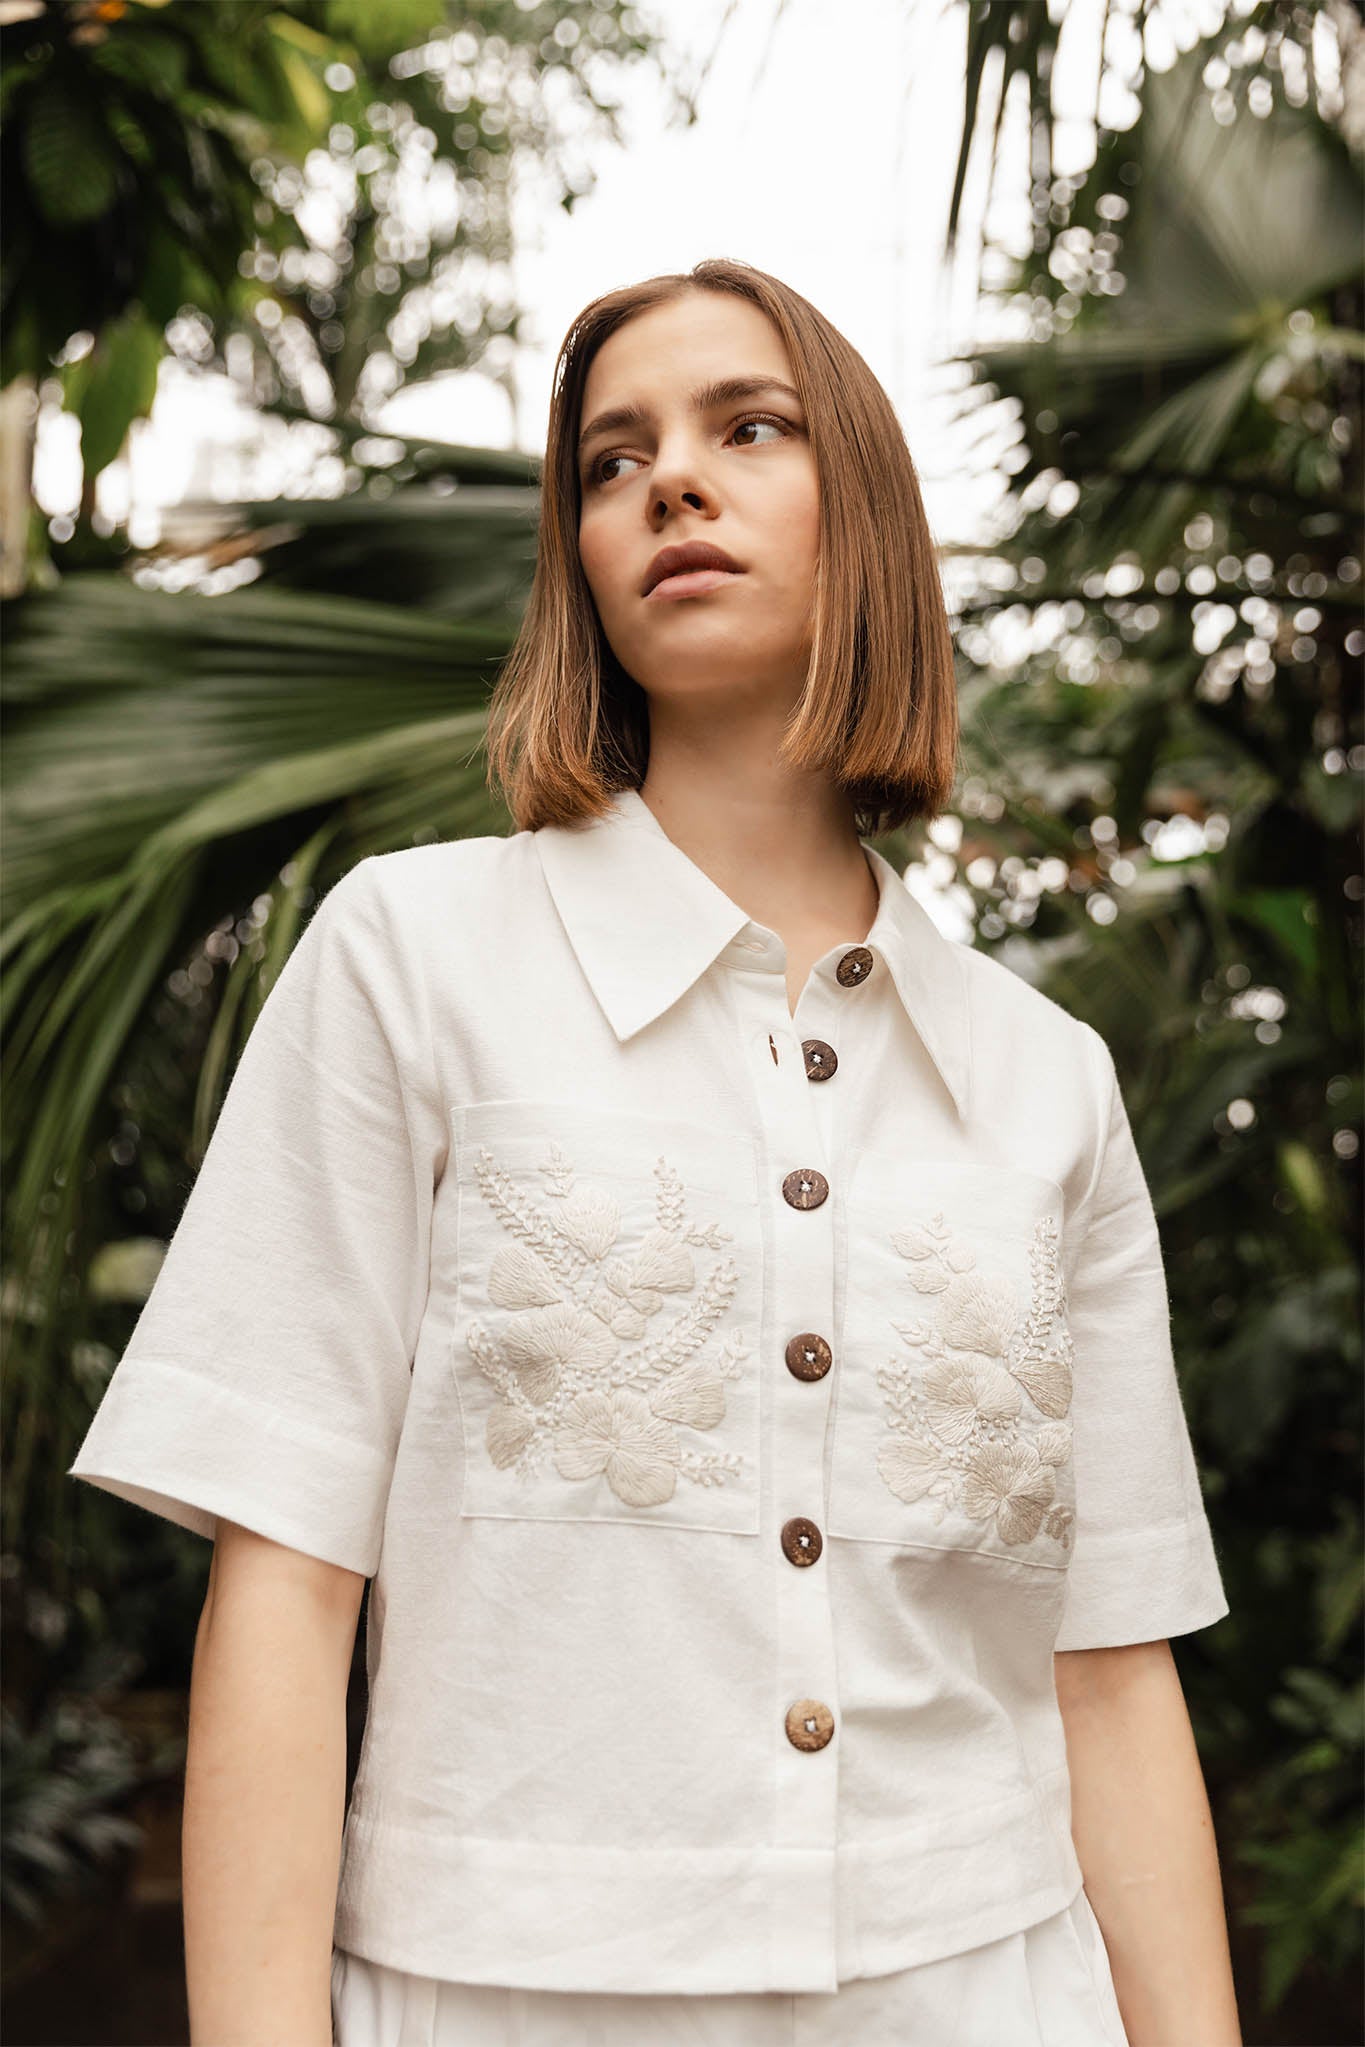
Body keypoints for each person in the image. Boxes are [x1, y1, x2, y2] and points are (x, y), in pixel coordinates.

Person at [69, 258, 1244, 2047]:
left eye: (745, 430)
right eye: (609, 461)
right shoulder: (411, 959)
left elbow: (1106, 1665)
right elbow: (288, 1592)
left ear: (864, 513)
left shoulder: (1044, 1078)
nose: (667, 484)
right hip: (497, 2000)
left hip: (995, 1991)